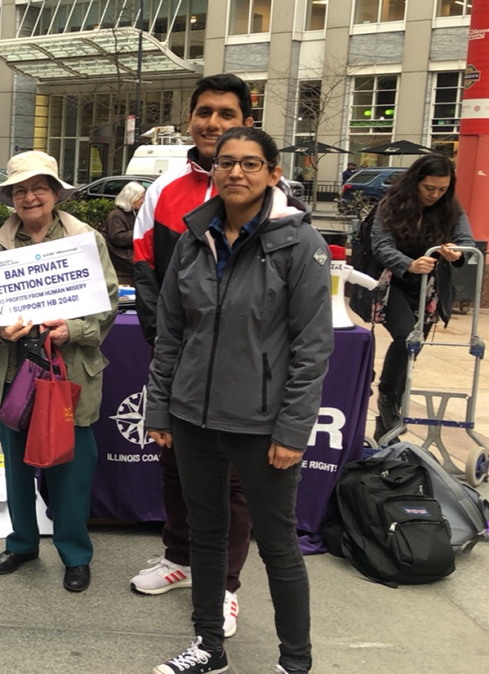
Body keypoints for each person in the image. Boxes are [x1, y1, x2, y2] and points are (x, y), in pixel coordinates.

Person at [147, 128, 331, 674]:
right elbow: (172, 335)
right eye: (226, 163)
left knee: (277, 544)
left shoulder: (300, 244)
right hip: (193, 418)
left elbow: (312, 347)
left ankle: (295, 662)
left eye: (251, 164)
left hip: (262, 423)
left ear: (274, 173)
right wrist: (161, 407)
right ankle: (209, 647)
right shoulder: (193, 238)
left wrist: (293, 431)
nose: (236, 173)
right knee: (206, 536)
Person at [0, 151, 118, 593]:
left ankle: (75, 554)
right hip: (13, 378)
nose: (30, 196)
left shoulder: (86, 240)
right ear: (10, 197)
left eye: (38, 187)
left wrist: (73, 329)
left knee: (73, 469)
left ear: (54, 192)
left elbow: (108, 303)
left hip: (70, 381)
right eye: (20, 190)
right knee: (16, 470)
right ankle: (22, 542)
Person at [129, 74, 257, 637]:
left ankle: (224, 585)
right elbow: (145, 269)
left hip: (240, 366)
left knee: (230, 477)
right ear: (190, 120)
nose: (213, 123)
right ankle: (179, 560)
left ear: (245, 121)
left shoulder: (269, 195)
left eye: (226, 113)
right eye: (204, 112)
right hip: (176, 355)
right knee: (175, 460)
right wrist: (162, 340)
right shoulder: (165, 189)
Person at [370, 154, 474, 439]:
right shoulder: (391, 204)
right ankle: (387, 397)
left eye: (442, 189)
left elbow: (466, 242)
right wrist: (407, 263)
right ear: (416, 181)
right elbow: (381, 244)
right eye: (429, 188)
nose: (435, 194)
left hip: (430, 289)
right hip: (397, 283)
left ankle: (388, 421)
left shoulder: (450, 208)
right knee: (406, 337)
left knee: (413, 351)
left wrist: (455, 253)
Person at [105, 181, 144, 286]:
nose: (142, 201)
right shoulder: (116, 215)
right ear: (131, 198)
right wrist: (139, 233)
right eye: (140, 198)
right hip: (122, 259)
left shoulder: (133, 213)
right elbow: (117, 238)